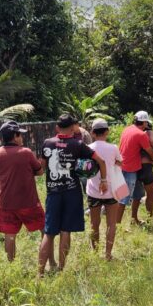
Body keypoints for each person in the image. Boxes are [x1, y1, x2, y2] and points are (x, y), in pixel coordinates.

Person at [38, 114, 108, 275]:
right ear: (72, 129)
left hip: (53, 193)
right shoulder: (78, 144)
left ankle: (40, 273)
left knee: (48, 233)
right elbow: (101, 161)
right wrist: (103, 180)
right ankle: (61, 269)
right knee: (65, 231)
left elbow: (40, 168)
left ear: (57, 128)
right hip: (72, 193)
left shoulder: (48, 143)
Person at [0, 121, 45, 262]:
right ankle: (48, 261)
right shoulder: (25, 152)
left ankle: (11, 264)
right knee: (45, 230)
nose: (22, 138)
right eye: (20, 135)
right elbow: (39, 172)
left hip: (6, 203)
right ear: (15, 136)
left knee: (10, 235)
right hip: (28, 201)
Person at [86, 118, 122, 260]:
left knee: (94, 224)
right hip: (112, 191)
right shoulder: (113, 148)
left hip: (93, 191)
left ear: (92, 133)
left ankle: (94, 253)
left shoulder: (88, 148)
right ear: (107, 131)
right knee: (111, 224)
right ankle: (108, 254)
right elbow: (119, 163)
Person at [117, 111, 153, 226]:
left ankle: (134, 219)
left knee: (138, 195)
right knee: (123, 199)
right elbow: (150, 151)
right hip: (129, 169)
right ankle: (117, 225)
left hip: (128, 166)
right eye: (146, 123)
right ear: (144, 122)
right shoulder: (141, 134)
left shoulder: (127, 129)